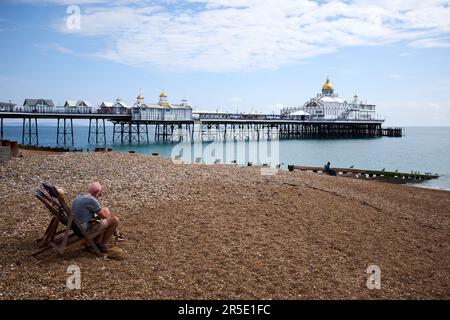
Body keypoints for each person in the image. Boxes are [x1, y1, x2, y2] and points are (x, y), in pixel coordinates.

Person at [71, 182, 119, 253]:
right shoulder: (91, 200)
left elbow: (101, 212)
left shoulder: (80, 196)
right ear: (96, 192)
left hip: (76, 226)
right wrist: (111, 222)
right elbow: (104, 216)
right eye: (100, 194)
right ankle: (101, 244)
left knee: (105, 209)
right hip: (85, 229)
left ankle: (97, 239)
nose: (100, 195)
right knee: (115, 220)